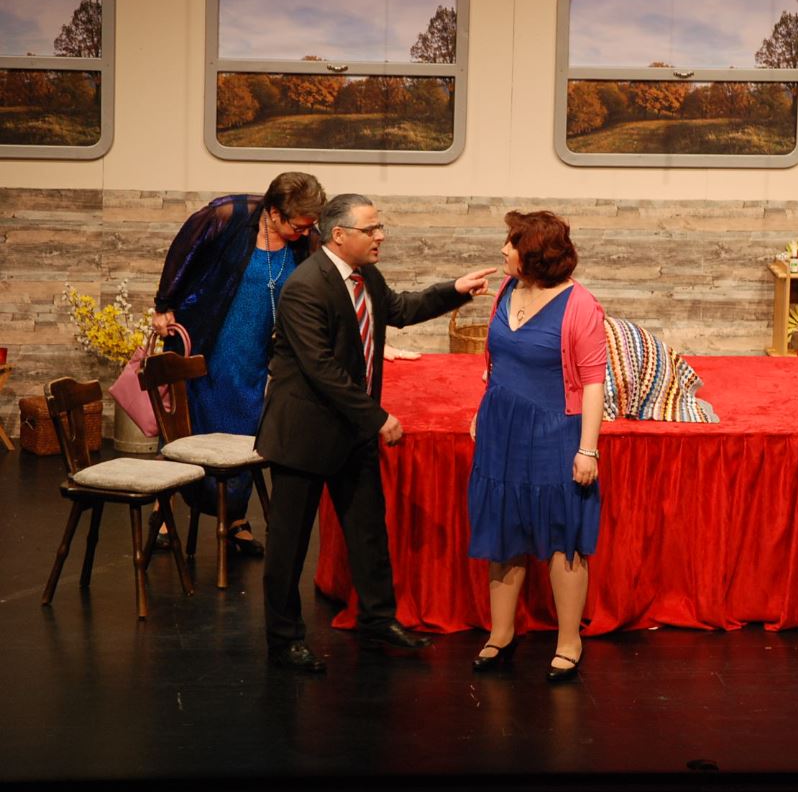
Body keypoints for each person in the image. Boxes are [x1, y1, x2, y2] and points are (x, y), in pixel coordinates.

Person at [255, 193, 497, 673]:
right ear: (338, 234)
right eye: (371, 229)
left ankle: (378, 620)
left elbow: (400, 309)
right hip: (305, 435)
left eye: (379, 227)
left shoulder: (366, 276)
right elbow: (321, 368)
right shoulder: (305, 287)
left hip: (350, 433)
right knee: (289, 545)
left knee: (368, 532)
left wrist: (455, 289)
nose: (380, 236)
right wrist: (377, 417)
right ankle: (284, 640)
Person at [152, 172, 326, 556]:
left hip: (255, 352)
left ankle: (234, 517)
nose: (304, 233)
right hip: (210, 339)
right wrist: (164, 304)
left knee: (245, 427)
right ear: (275, 213)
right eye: (298, 226)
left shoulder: (306, 239)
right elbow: (183, 253)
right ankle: (163, 512)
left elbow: (325, 286)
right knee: (190, 424)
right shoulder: (228, 216)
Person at [466, 210, 607, 683]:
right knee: (504, 529)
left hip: (554, 432)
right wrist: (482, 410)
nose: (503, 250)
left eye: (511, 243)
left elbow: (593, 383)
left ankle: (569, 641)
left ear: (533, 256)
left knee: (563, 537)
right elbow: (497, 362)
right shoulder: (507, 291)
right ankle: (501, 633)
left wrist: (588, 450)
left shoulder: (580, 306)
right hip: (501, 428)